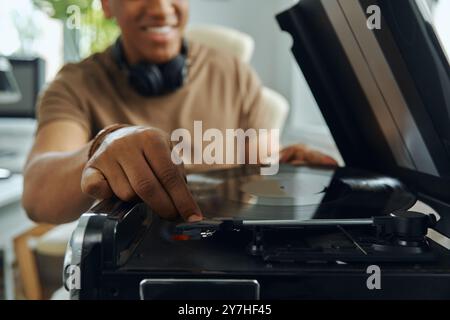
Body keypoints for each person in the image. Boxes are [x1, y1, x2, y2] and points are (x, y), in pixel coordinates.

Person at [22, 0, 337, 225]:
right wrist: (100, 147)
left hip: (226, 257)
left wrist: (282, 165)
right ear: (106, 4)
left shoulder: (234, 73)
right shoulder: (74, 84)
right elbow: (38, 197)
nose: (161, 8)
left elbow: (253, 166)